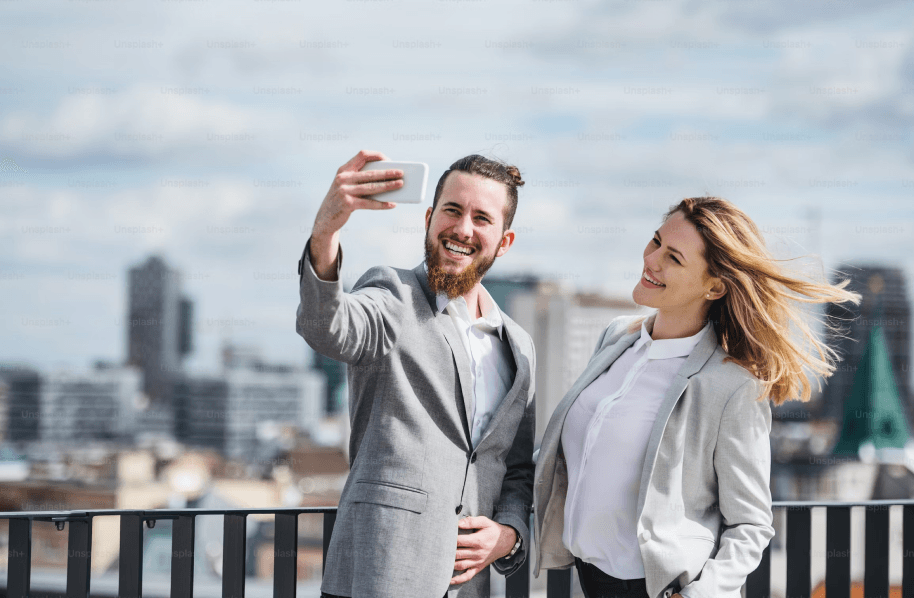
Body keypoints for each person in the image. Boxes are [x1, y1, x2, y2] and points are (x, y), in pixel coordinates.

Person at [532, 197, 860, 598]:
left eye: (673, 257)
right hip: (585, 578)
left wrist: (701, 595)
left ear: (715, 285)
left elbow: (751, 524)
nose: (651, 259)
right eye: (655, 242)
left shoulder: (732, 385)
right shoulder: (615, 337)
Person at [296, 150, 536, 598]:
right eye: (452, 210)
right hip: (380, 577)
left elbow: (517, 469)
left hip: (470, 587)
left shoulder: (518, 347)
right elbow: (326, 327)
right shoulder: (393, 294)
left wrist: (509, 534)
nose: (463, 229)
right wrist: (326, 231)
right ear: (429, 218)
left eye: (482, 218)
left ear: (504, 242)